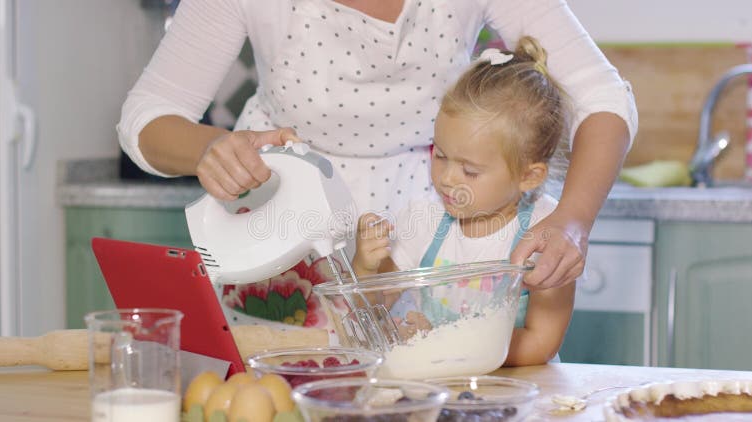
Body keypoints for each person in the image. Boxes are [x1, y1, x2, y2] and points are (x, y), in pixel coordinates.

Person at [117, 0, 636, 326]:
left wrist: (572, 220)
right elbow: (147, 114)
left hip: (425, 243)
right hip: (278, 241)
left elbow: (603, 97)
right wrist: (210, 148)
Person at [352, 36, 574, 366]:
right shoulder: (424, 221)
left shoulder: (546, 231)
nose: (447, 178)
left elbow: (542, 342)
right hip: (442, 391)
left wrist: (443, 344)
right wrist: (365, 267)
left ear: (529, 176)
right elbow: (372, 311)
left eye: (469, 171)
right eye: (439, 155)